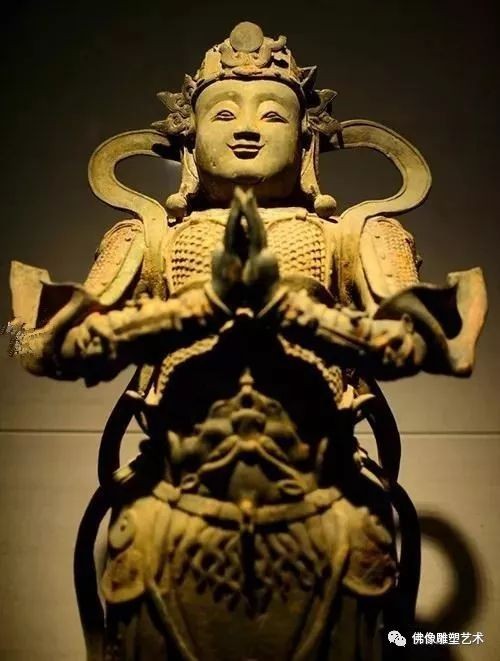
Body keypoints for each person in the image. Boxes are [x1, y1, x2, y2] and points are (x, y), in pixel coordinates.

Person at [9, 22, 486, 661]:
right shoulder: (149, 236)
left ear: (308, 142)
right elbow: (48, 345)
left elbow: (426, 343)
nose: (247, 129)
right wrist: (197, 310)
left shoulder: (354, 236)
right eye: (225, 113)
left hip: (326, 509)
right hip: (171, 510)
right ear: (188, 141)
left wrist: (294, 312)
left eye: (273, 114)